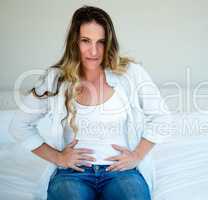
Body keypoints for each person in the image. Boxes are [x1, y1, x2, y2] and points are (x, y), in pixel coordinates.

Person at [9, 5, 171, 200]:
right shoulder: (56, 79)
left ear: (109, 43)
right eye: (85, 41)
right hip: (72, 174)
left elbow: (161, 117)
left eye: (101, 42)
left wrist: (136, 155)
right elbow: (19, 125)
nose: (93, 51)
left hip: (121, 173)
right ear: (74, 42)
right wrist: (58, 157)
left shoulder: (130, 73)